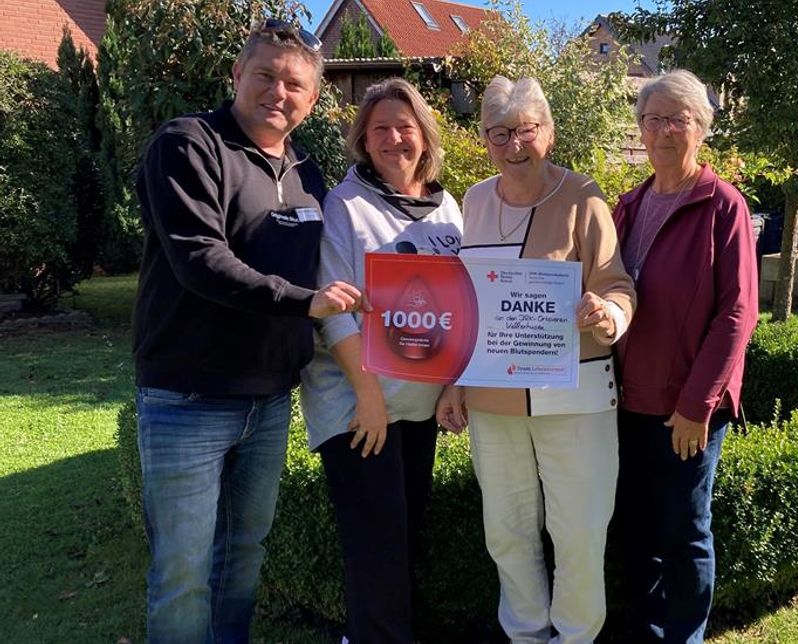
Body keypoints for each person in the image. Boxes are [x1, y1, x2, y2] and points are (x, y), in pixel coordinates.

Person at [133, 20, 367, 643]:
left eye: (294, 84)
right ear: (237, 75)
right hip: (188, 398)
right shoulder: (188, 145)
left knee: (242, 562)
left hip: (268, 401)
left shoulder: (306, 173)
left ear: (312, 99)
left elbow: (330, 263)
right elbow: (200, 261)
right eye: (264, 75)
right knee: (182, 575)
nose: (277, 92)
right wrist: (306, 301)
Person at [436, 76, 636, 644]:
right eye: (499, 133)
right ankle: (525, 634)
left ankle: (575, 637)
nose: (514, 145)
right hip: (494, 400)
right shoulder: (472, 201)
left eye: (525, 130)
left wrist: (607, 314)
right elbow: (466, 303)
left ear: (548, 132)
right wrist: (454, 383)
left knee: (578, 530)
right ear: (485, 140)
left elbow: (618, 284)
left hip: (574, 397)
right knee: (506, 529)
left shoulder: (584, 196)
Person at [300, 77, 462, 644]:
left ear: (425, 136)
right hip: (358, 405)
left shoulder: (448, 209)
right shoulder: (345, 205)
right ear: (363, 143)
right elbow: (333, 306)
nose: (394, 138)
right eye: (379, 130)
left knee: (404, 536)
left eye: (405, 127)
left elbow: (459, 307)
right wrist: (367, 397)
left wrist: (451, 386)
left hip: (419, 404)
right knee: (377, 542)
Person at [611, 69, 759, 643]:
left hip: (686, 409)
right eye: (654, 119)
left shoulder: (724, 207)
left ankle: (685, 636)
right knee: (638, 530)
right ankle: (648, 632)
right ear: (641, 130)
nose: (665, 130)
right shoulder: (627, 205)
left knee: (685, 532)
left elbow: (737, 314)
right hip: (626, 401)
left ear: (701, 130)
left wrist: (698, 405)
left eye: (680, 119)